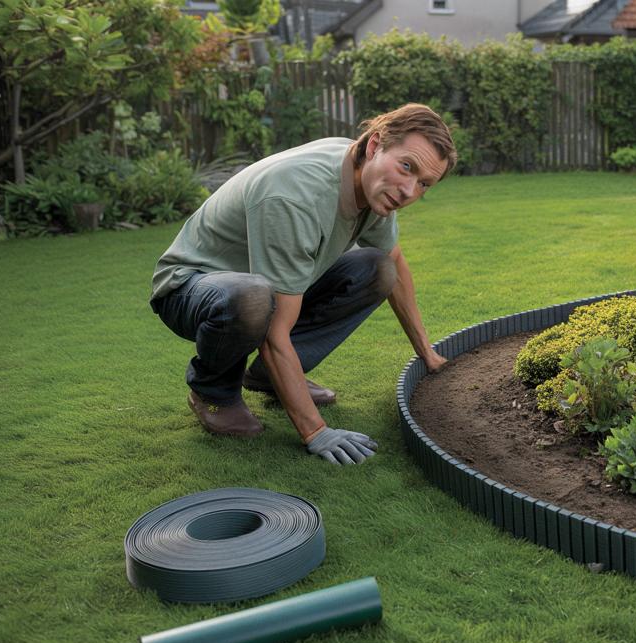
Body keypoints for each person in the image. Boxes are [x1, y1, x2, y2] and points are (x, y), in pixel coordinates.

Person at [149, 103, 456, 465]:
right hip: (191, 285)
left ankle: (268, 379)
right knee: (252, 298)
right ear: (375, 146)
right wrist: (316, 431)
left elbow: (394, 261)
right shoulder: (295, 195)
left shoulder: (371, 183)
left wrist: (427, 351)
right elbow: (273, 333)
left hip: (270, 284)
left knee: (378, 270)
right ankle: (213, 392)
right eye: (407, 166)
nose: (409, 190)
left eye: (424, 183)